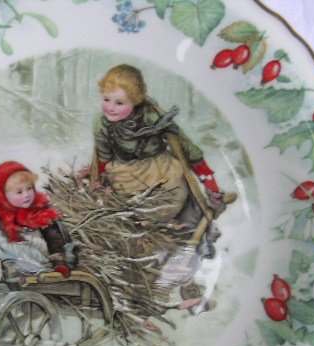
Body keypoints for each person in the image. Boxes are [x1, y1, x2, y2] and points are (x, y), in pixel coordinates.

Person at [90, 64, 236, 257]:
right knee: (126, 213)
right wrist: (98, 182)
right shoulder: (101, 123)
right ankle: (140, 243)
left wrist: (211, 185)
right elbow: (104, 157)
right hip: (124, 176)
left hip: (162, 173)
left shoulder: (153, 117)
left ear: (135, 100)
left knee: (184, 203)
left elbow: (186, 147)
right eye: (107, 99)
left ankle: (194, 241)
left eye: (119, 103)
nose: (111, 107)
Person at [0, 160, 75, 287]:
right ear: (3, 195)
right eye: (19, 192)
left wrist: (59, 262)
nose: (26, 195)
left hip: (30, 249)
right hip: (2, 245)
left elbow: (53, 236)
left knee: (17, 264)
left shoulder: (39, 209)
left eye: (29, 188)